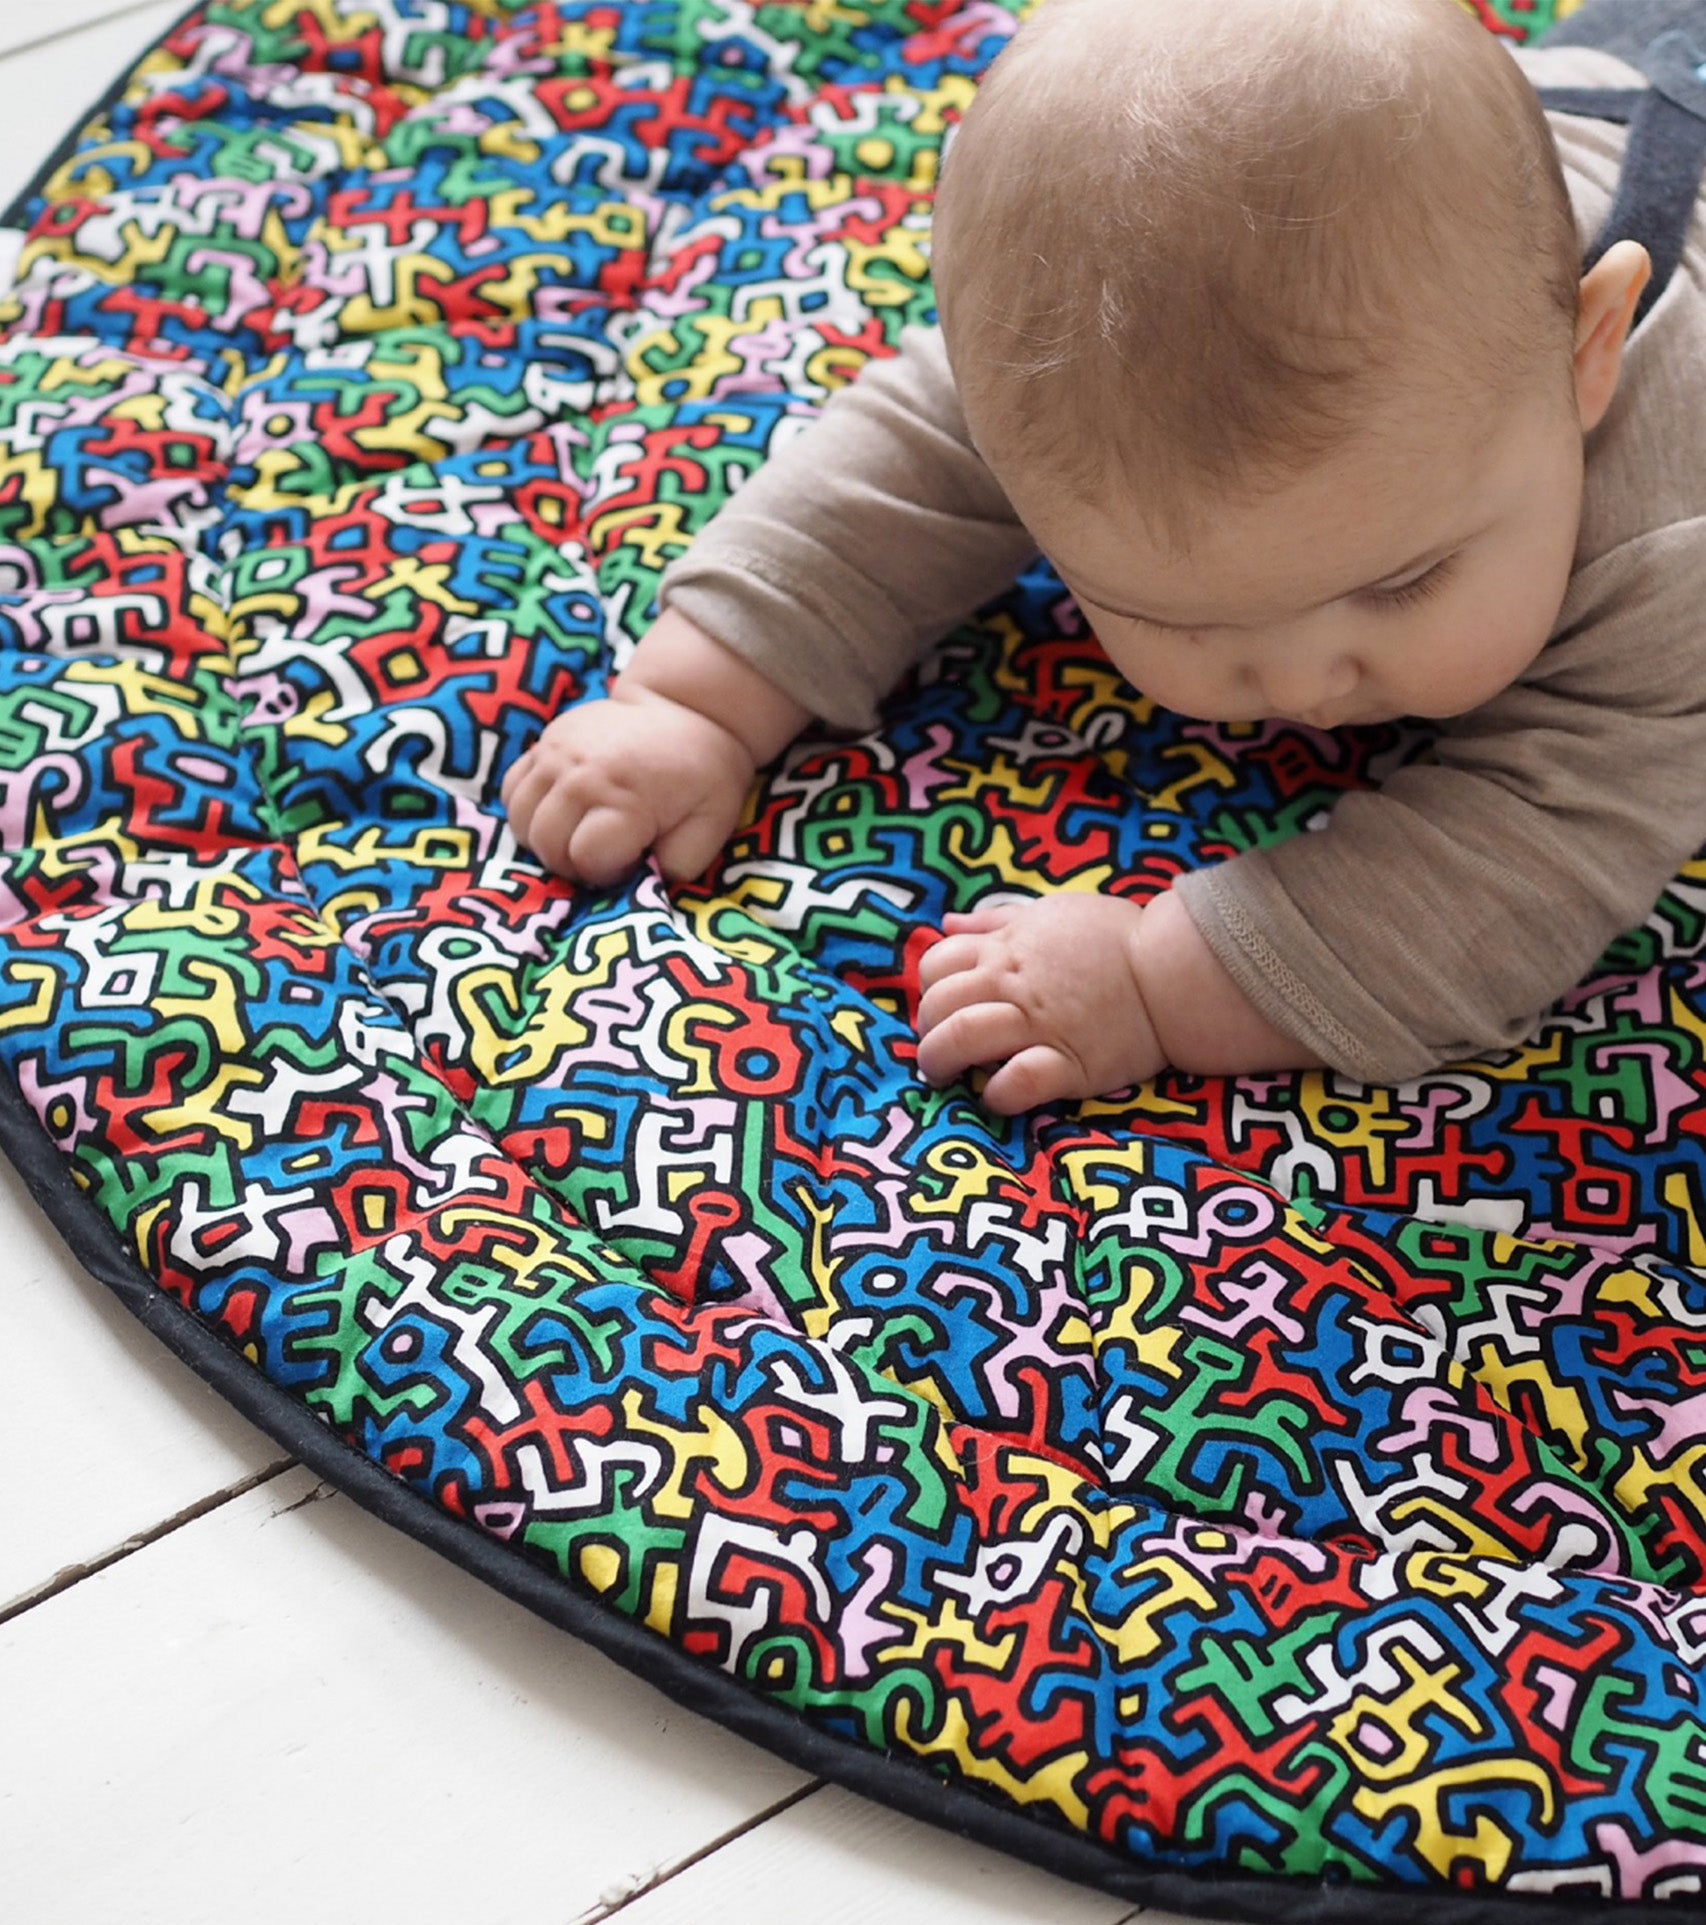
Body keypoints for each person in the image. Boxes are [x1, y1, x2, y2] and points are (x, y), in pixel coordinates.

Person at [501, 0, 1706, 1115]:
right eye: (1173, 615)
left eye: (1401, 583)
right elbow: (901, 464)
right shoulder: (1082, 374)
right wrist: (694, 700)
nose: (1296, 685)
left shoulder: (1665, 542)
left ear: (1582, 357)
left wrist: (1158, 978)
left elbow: (1533, 852)